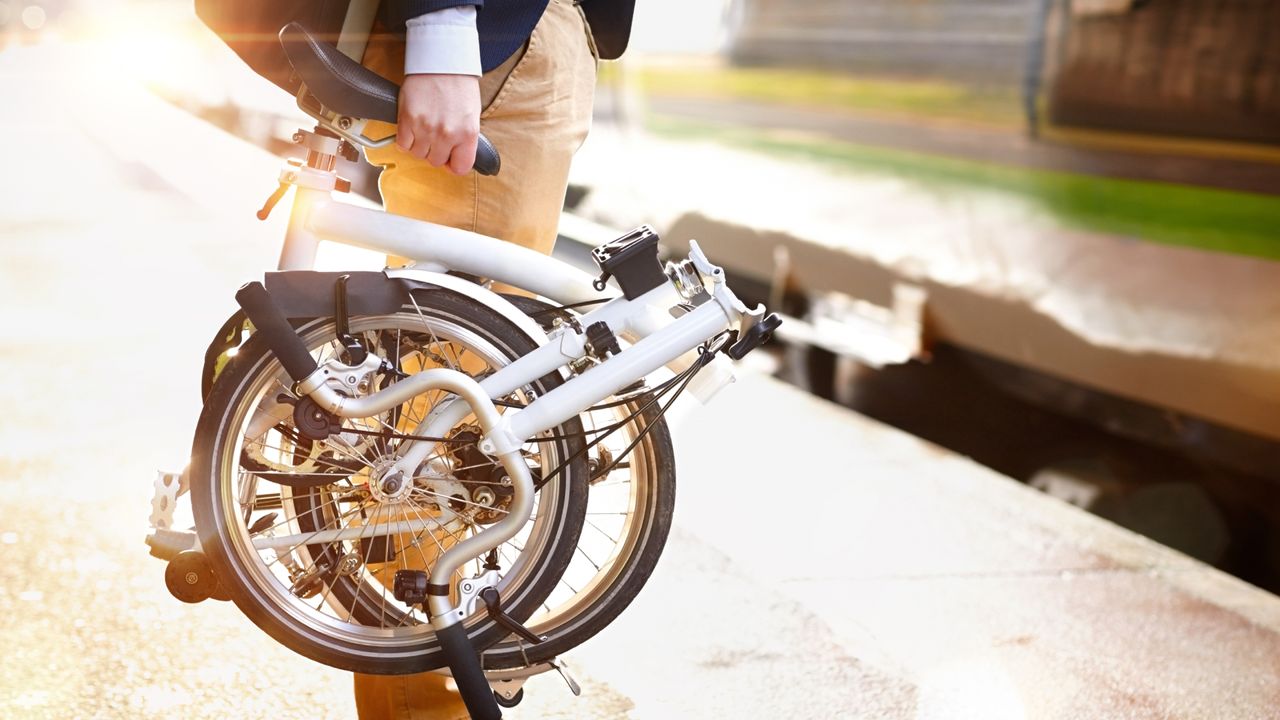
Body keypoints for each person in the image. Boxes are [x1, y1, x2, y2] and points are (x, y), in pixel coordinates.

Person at [350, 0, 633, 716]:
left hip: (507, 40)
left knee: (445, 401)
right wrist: (444, 30)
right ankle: (426, 691)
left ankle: (424, 681)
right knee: (440, 422)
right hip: (500, 36)